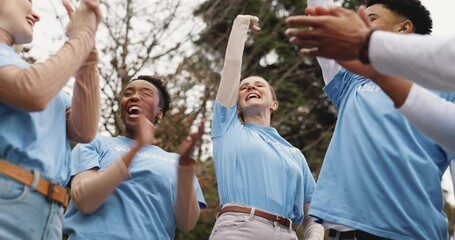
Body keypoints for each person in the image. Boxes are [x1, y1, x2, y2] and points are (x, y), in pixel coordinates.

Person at [284, 0, 455, 239]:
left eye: (370, 19)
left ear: (403, 28)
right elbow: (321, 9)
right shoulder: (353, 77)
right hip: (346, 230)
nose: (359, 27)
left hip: (412, 231)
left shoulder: (447, 85)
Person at [209, 15, 323, 240]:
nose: (250, 86)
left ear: (274, 104)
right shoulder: (228, 129)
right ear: (237, 106)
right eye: (244, 87)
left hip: (288, 233)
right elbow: (231, 68)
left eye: (259, 84)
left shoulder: (295, 155)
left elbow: (314, 212)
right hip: (239, 230)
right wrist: (240, 26)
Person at [0, 0, 101, 239]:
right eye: (27, 1)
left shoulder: (24, 69)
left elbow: (84, 130)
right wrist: (81, 36)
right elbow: (32, 90)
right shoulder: (30, 78)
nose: (36, 15)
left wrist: (87, 57)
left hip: (50, 213)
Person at [63, 75, 206, 240]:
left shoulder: (176, 162)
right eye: (128, 94)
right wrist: (136, 147)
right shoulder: (94, 142)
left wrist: (185, 170)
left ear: (159, 112)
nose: (134, 97)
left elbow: (186, 223)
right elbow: (85, 201)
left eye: (146, 94)